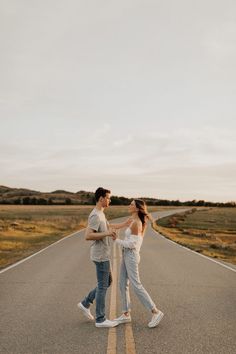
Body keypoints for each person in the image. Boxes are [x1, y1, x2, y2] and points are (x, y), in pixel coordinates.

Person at [78, 187, 131, 328]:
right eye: (108, 197)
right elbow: (88, 235)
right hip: (100, 255)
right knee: (103, 285)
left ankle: (85, 303)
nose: (110, 200)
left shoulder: (101, 213)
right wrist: (107, 234)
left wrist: (125, 224)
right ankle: (100, 319)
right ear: (101, 198)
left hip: (104, 254)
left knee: (107, 282)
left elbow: (109, 226)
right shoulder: (95, 215)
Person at [114, 199, 164, 328]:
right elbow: (118, 226)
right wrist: (103, 225)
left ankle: (155, 312)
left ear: (137, 208)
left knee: (136, 285)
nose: (129, 205)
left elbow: (132, 244)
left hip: (130, 255)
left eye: (131, 204)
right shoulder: (131, 220)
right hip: (126, 255)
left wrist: (117, 240)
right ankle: (125, 314)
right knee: (122, 284)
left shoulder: (136, 223)